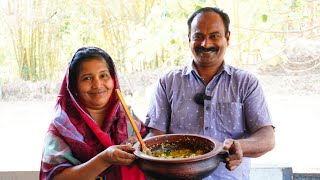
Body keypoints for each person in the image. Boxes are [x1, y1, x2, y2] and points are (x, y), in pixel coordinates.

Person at [145, 7, 275, 180]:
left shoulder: (246, 83)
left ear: (227, 38)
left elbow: (266, 137)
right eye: (198, 36)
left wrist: (240, 146)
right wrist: (139, 144)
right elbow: (156, 136)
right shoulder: (168, 83)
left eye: (214, 36)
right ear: (189, 38)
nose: (206, 44)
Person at [40, 47, 147, 180]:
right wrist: (104, 159)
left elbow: (148, 151)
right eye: (87, 78)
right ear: (74, 86)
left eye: (103, 76)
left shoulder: (126, 117)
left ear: (113, 79)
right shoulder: (63, 127)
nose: (97, 84)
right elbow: (55, 177)